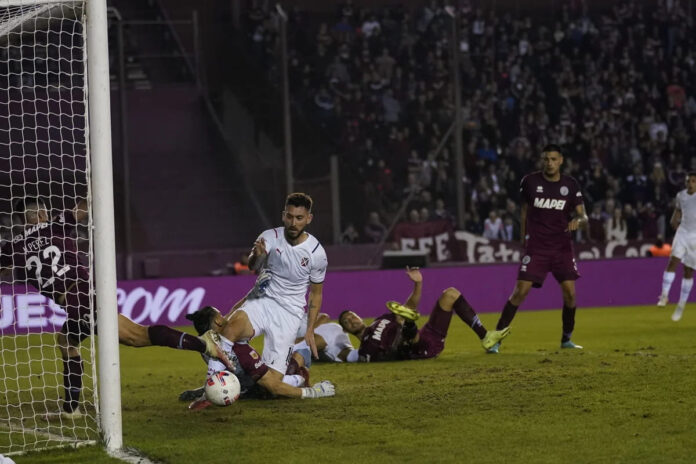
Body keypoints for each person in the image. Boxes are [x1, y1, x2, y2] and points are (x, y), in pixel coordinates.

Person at [0, 198, 232, 419]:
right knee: (66, 341)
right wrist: (94, 183)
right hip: (84, 294)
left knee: (137, 337)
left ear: (22, 219)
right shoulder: (57, 224)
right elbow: (83, 207)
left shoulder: (16, 246)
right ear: (41, 213)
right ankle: (71, 410)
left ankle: (205, 344)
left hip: (77, 299)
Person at [212, 193, 328, 386]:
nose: (293, 222)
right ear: (283, 215)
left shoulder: (317, 253)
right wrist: (256, 256)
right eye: (289, 216)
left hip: (289, 313)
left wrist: (309, 330)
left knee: (270, 383)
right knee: (229, 329)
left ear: (309, 219)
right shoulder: (269, 237)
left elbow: (316, 293)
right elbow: (253, 266)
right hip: (263, 299)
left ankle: (298, 379)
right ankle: (211, 384)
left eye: (299, 218)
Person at [489, 144, 588, 353]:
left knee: (570, 294)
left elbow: (583, 215)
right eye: (546, 159)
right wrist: (523, 240)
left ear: (561, 160)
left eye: (553, 159)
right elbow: (524, 212)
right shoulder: (530, 182)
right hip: (537, 247)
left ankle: (566, 339)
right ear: (542, 160)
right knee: (519, 292)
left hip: (561, 247)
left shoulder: (570, 185)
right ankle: (496, 338)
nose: (549, 163)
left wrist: (578, 221)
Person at [337, 267, 510, 362]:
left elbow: (410, 305)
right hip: (417, 348)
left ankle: (486, 337)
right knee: (405, 334)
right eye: (346, 321)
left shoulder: (379, 320)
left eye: (352, 315)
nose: (351, 320)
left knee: (450, 294)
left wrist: (418, 284)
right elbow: (388, 356)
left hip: (425, 335)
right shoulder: (365, 349)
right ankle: (410, 325)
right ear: (346, 330)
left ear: (359, 316)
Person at [179, 306, 335, 409]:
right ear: (218, 321)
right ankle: (301, 375)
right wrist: (314, 392)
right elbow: (273, 385)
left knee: (292, 355)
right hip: (258, 381)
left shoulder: (204, 344)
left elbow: (219, 374)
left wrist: (204, 391)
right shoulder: (240, 350)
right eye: (221, 315)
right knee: (283, 379)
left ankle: (304, 357)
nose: (227, 317)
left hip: (243, 382)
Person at [657, 172, 696, 321]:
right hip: (683, 232)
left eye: (693, 181)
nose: (690, 183)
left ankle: (681, 304)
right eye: (688, 181)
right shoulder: (681, 195)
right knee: (673, 261)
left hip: (695, 237)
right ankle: (664, 296)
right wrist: (674, 217)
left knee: (688, 271)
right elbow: (678, 209)